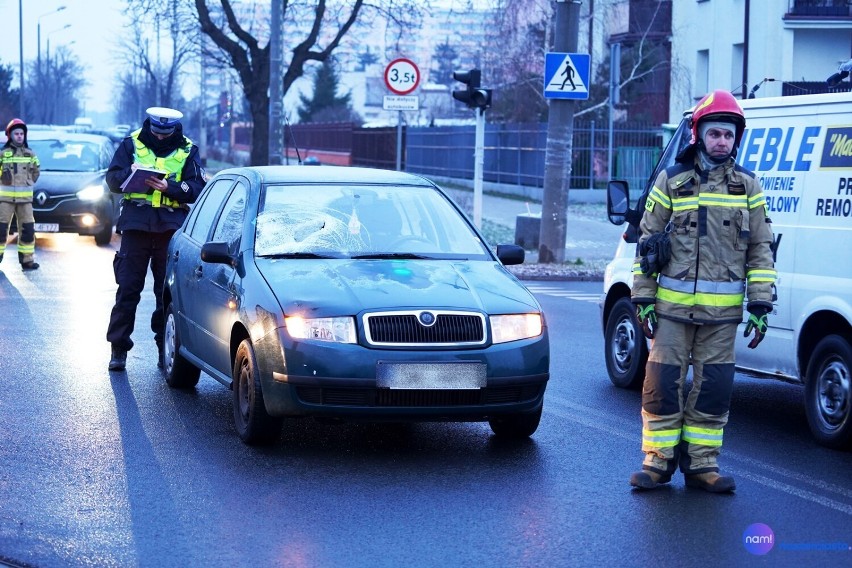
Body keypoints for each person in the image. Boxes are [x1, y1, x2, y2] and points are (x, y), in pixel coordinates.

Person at [629, 90, 777, 493]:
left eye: (728, 136)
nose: (722, 142)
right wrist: (642, 298)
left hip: (722, 319)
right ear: (699, 135)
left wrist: (761, 302)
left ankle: (702, 466)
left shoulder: (748, 186)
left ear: (736, 139)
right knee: (661, 386)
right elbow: (648, 240)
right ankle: (657, 463)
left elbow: (761, 248)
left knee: (713, 390)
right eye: (715, 134)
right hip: (672, 312)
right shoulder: (672, 180)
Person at [105, 107, 205, 372]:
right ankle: (118, 350)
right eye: (156, 132)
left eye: (166, 133)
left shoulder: (188, 150)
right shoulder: (132, 143)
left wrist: (169, 188)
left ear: (173, 129)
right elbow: (112, 178)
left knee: (166, 294)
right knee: (127, 289)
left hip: (169, 229)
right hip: (136, 226)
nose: (160, 137)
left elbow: (197, 187)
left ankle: (166, 347)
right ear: (150, 126)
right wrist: (132, 175)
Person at [0, 119, 41, 270]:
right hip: (5, 200)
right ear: (10, 135)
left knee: (28, 230)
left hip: (25, 200)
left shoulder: (30, 154)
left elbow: (36, 171)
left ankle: (27, 260)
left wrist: (29, 182)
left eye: (21, 134)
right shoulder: (3, 154)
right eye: (16, 134)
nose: (19, 136)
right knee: (1, 229)